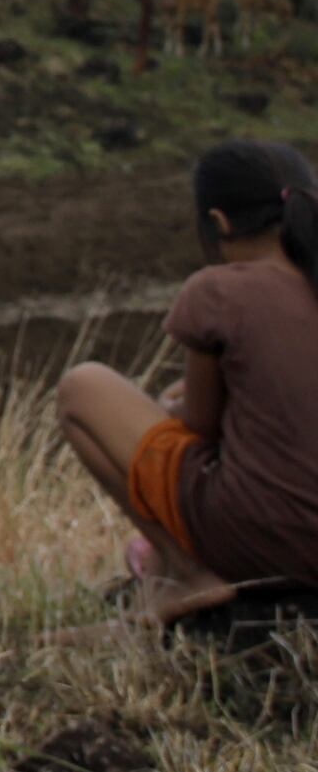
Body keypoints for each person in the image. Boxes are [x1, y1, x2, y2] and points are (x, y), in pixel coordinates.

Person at [56, 140, 318, 619]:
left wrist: (171, 405)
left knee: (83, 387)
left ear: (218, 222)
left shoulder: (219, 290)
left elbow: (200, 426)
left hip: (268, 542)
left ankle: (186, 574)